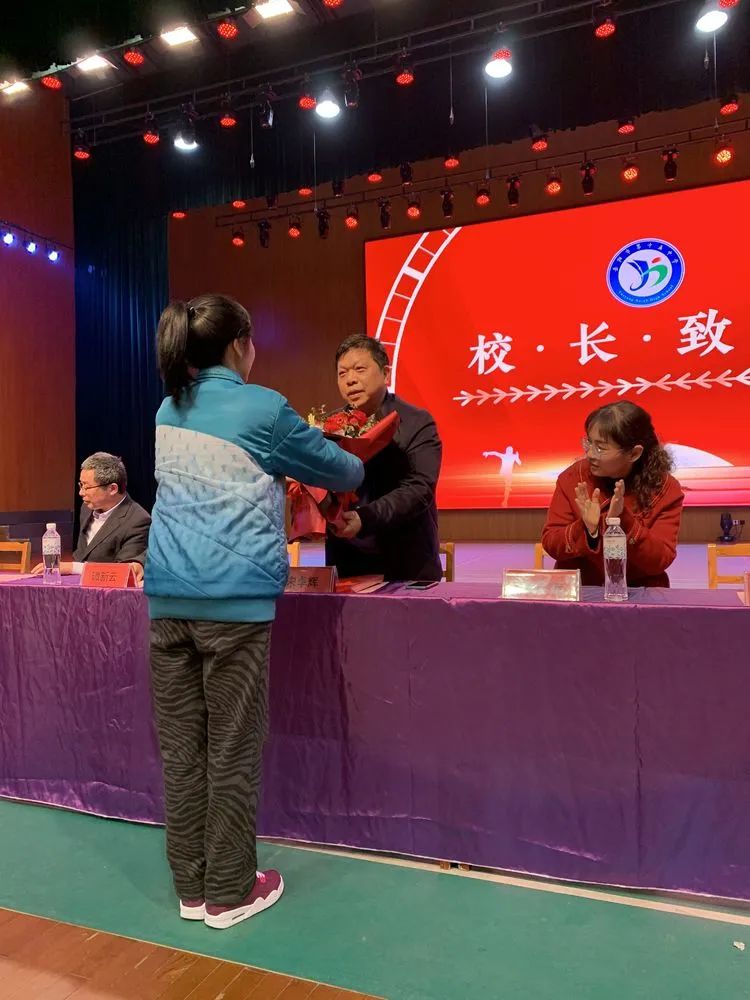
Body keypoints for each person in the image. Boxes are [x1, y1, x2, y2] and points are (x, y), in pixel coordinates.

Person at [145, 294, 363, 931]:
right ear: (240, 345)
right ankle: (230, 891)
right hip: (234, 607)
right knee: (233, 747)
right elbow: (344, 469)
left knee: (183, 751)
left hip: (166, 603)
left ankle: (191, 888)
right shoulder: (263, 407)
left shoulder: (168, 408)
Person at [325, 334, 442, 582]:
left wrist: (365, 518)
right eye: (342, 373)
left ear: (386, 374)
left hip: (407, 562)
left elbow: (420, 488)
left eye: (359, 369)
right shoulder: (330, 427)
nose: (350, 380)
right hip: (347, 561)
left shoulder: (417, 422)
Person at [542, 401, 683, 587]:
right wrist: (586, 529)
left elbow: (660, 560)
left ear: (634, 453)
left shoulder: (665, 488)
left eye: (600, 448)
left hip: (640, 592)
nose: (590, 454)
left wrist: (623, 521)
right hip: (581, 589)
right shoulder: (573, 478)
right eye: (589, 443)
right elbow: (551, 542)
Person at [31, 452, 150, 581]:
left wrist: (71, 567)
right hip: (78, 583)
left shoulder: (137, 520)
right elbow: (82, 554)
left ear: (112, 489)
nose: (81, 493)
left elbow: (125, 572)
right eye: (81, 485)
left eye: (87, 487)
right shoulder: (87, 508)